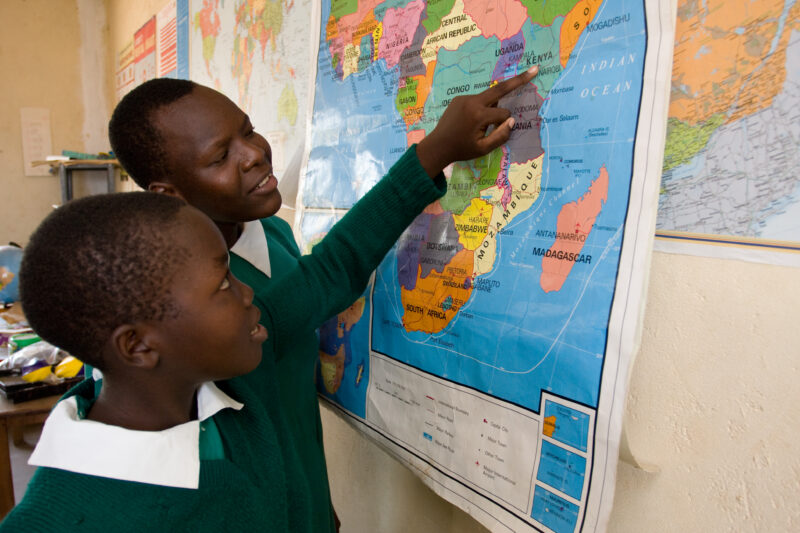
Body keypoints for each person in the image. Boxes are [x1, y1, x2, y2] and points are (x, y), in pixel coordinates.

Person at [3, 67, 537, 532]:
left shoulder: (216, 375)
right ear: (138, 347)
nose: (255, 153)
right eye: (220, 155)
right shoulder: (73, 512)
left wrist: (311, 509)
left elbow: (326, 274)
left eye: (248, 130)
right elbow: (328, 274)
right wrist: (434, 152)